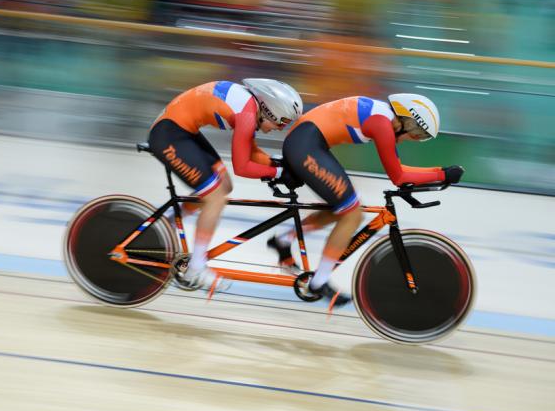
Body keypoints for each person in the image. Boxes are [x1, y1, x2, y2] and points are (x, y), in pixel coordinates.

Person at [268, 93, 464, 304]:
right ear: (407, 120)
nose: (412, 139)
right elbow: (398, 176)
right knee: (352, 214)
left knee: (345, 205)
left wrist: (438, 173)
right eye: (416, 134)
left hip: (307, 143)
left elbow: (398, 172)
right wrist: (442, 174)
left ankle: (284, 240)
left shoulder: (381, 116)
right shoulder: (382, 123)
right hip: (305, 146)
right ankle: (318, 282)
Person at [148, 79, 303, 291]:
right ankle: (196, 268)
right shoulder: (247, 113)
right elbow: (242, 167)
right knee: (215, 197)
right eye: (280, 123)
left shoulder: (250, 107)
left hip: (183, 132)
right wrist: (278, 172)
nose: (278, 129)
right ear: (270, 110)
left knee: (224, 185)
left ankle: (168, 225)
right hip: (169, 135)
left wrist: (279, 165)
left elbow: (250, 151)